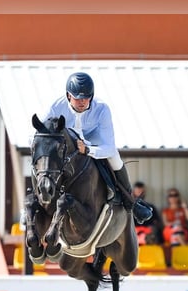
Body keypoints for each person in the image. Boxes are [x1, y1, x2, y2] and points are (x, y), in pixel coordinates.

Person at [42, 72, 152, 224]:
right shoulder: (55, 107)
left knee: (114, 157)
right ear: (68, 96)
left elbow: (109, 147)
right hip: (66, 144)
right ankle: (37, 200)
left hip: (92, 139)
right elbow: (38, 134)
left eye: (86, 97)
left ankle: (130, 202)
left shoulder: (102, 109)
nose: (82, 102)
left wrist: (88, 150)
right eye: (77, 98)